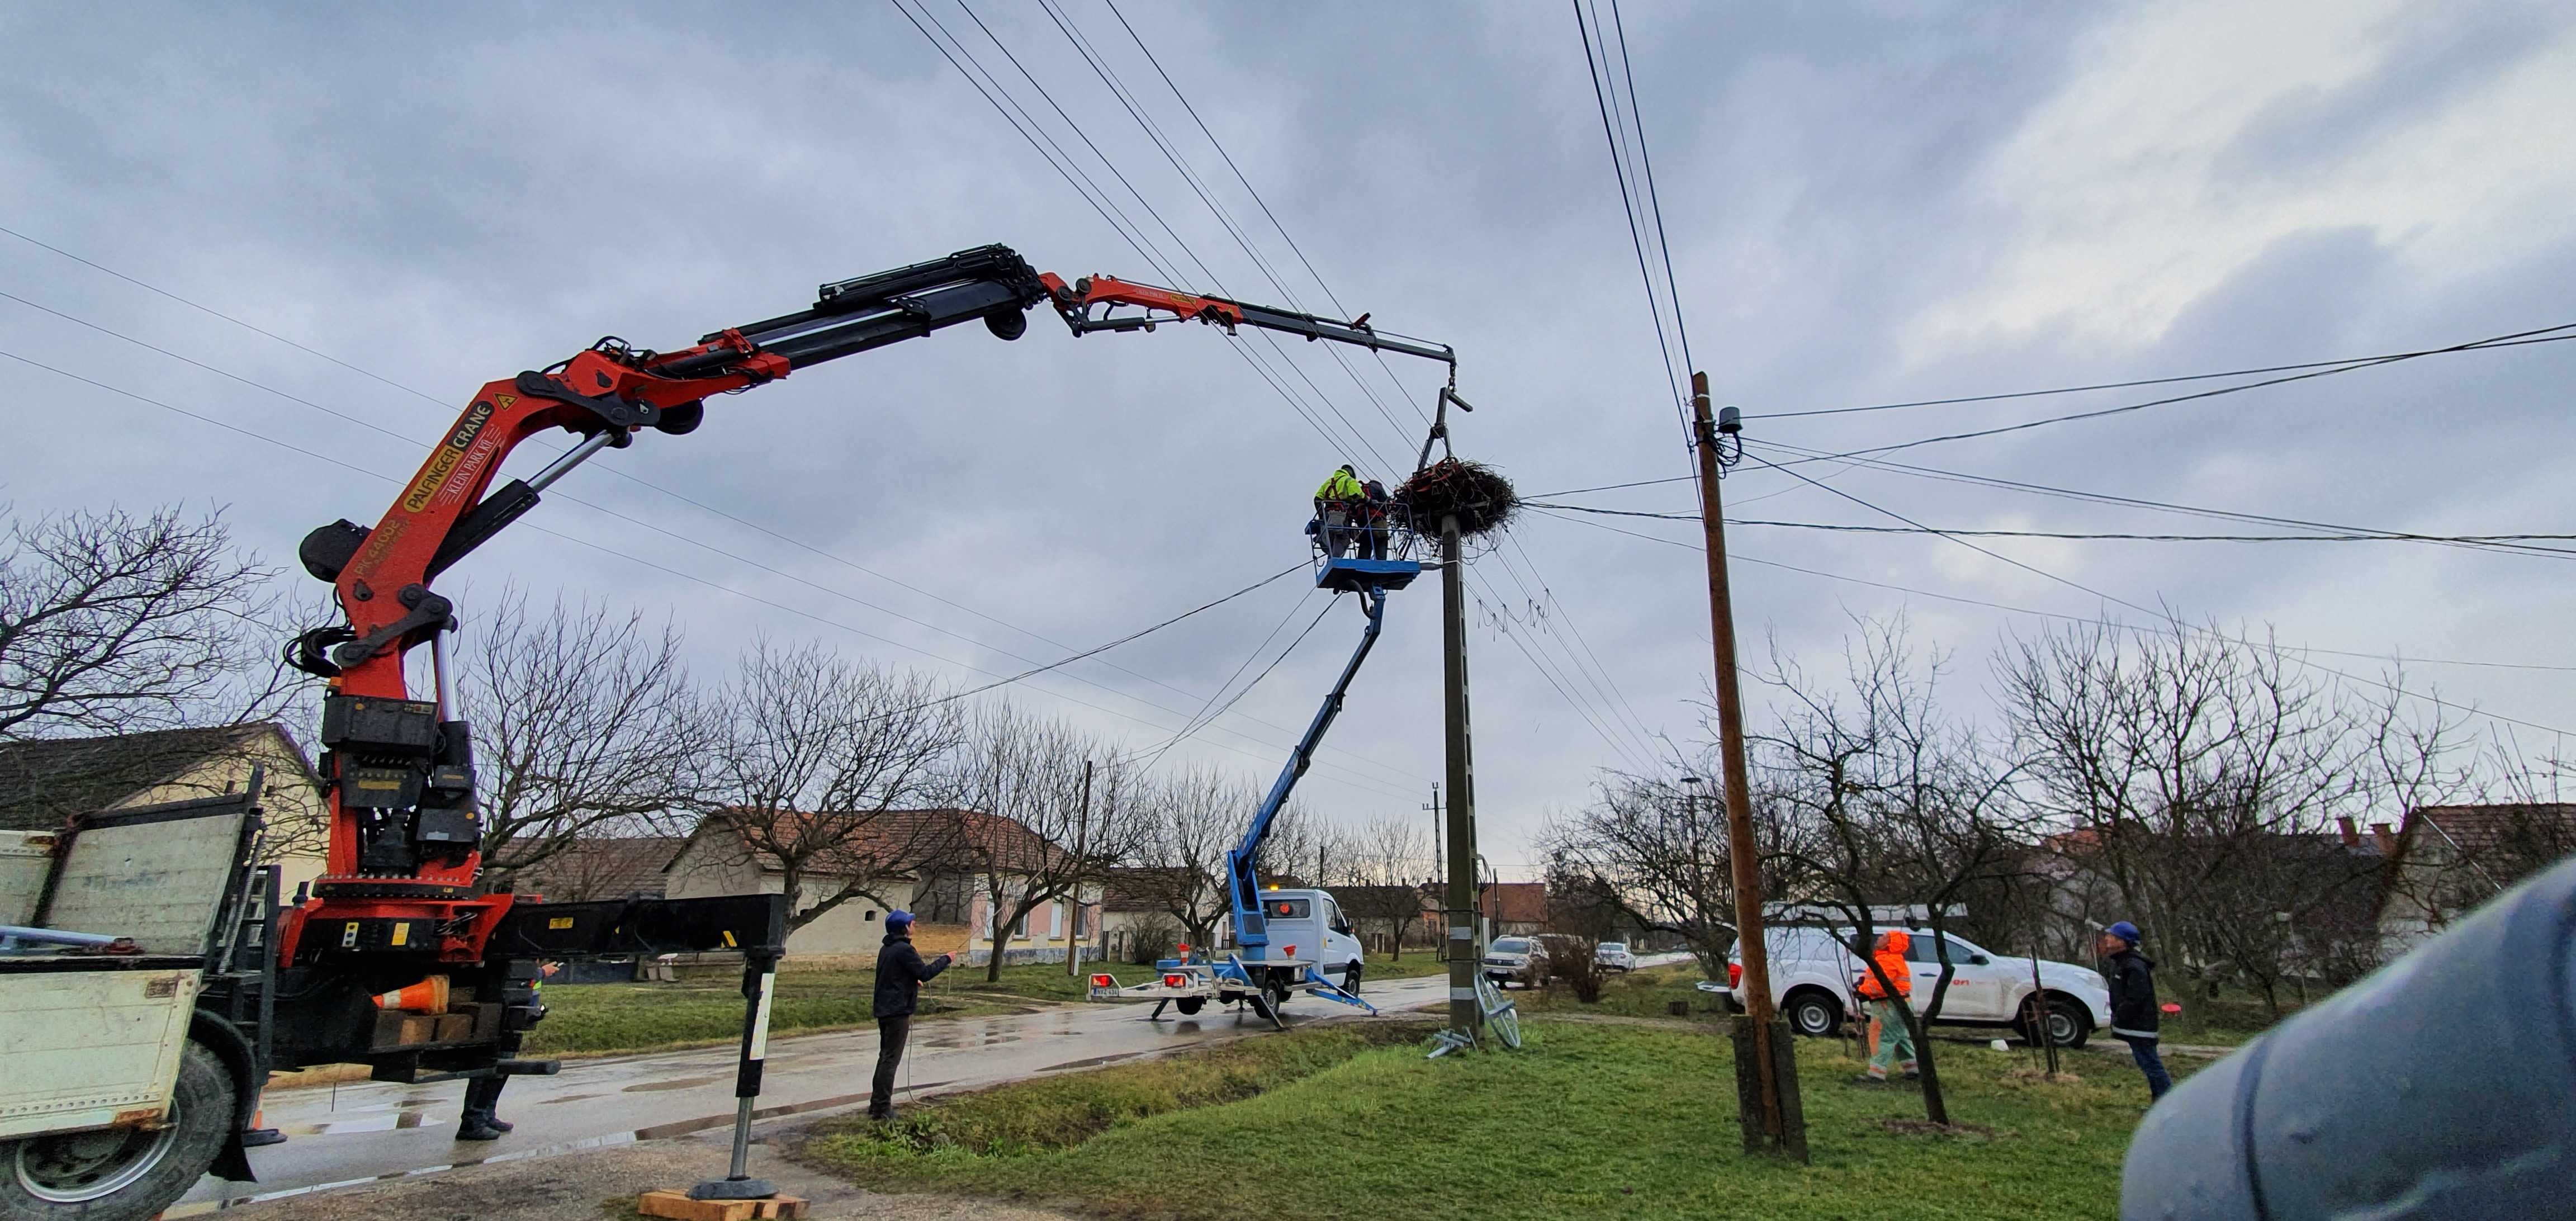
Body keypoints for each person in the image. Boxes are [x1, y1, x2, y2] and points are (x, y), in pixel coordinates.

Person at [457, 961, 558, 1141]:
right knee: (490, 1068)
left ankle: (487, 1115)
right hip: (501, 1016)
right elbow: (512, 973)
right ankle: (473, 1121)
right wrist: (542, 972)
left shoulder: (528, 958)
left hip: (515, 1016)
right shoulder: (517, 958)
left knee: (502, 1070)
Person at [869, 910, 952, 1121]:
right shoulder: (905, 950)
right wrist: (946, 959)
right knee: (891, 1060)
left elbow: (892, 976)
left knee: (884, 1057)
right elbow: (926, 972)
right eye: (911, 923)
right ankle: (882, 1110)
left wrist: (911, 980)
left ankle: (876, 1104)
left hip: (885, 1009)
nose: (914, 925)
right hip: (897, 1011)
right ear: (904, 928)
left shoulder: (887, 949)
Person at [2100, 921, 2171, 1101]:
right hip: (2135, 1025)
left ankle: (2169, 1102)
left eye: (2112, 936)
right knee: (2146, 1063)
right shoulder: (2122, 963)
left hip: (2140, 1026)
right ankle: (2159, 1100)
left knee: (2151, 1065)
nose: (2107, 939)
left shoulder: (2134, 966)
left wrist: (2120, 1016)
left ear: (2122, 942)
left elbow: (2136, 998)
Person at [1852, 929, 1918, 1085]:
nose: (1879, 938)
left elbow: (1880, 985)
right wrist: (1863, 982)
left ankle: (1877, 1074)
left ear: (1890, 943)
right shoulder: (1891, 958)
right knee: (1901, 1037)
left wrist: (1861, 989)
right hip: (1898, 1003)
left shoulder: (1887, 960)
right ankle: (1914, 1070)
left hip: (1888, 1005)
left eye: (1884, 937)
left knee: (1882, 1037)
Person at [1314, 463, 1365, 558]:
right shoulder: (1349, 480)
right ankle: (1336, 561)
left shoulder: (1329, 482)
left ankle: (1332, 559)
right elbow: (1357, 494)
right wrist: (1368, 500)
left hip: (1329, 516)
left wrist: (1322, 516)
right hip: (1341, 515)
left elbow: (1317, 499)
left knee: (1332, 539)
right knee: (1343, 538)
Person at [1359, 479, 1393, 561]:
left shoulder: (1362, 489)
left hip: (1364, 524)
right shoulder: (1378, 488)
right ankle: (1381, 563)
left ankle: (1362, 563)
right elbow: (1386, 505)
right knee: (1382, 542)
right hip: (1378, 523)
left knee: (1365, 544)